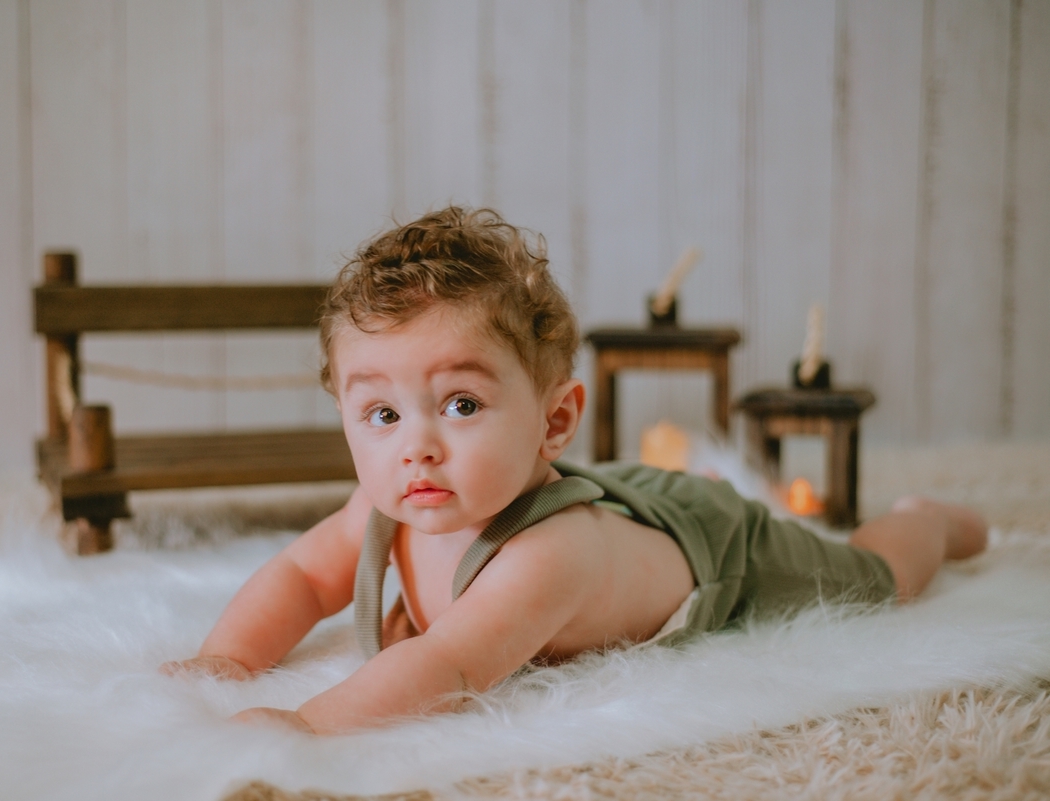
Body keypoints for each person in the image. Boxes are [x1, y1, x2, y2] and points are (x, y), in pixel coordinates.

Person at [160, 207, 987, 735]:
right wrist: (226, 660)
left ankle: (925, 519)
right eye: (381, 414)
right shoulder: (388, 502)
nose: (416, 446)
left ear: (554, 420)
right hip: (622, 504)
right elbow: (303, 576)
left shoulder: (547, 555)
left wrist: (312, 727)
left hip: (714, 548)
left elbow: (448, 666)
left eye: (460, 405)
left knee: (875, 579)